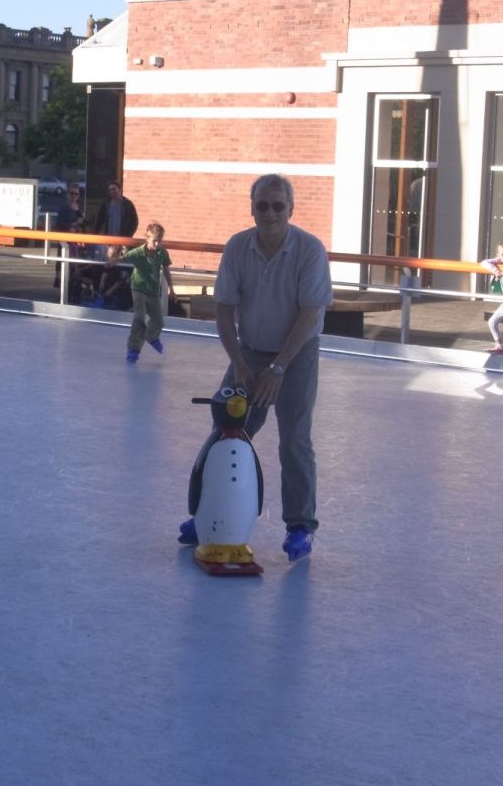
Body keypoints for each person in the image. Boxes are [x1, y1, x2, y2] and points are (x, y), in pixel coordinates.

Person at [178, 173, 333, 563]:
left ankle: (300, 526)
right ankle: (205, 516)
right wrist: (241, 365)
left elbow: (309, 314)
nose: (270, 213)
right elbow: (224, 309)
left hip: (295, 357)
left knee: (294, 440)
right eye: (262, 205)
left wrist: (278, 369)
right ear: (252, 208)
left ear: (291, 210)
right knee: (225, 434)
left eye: (278, 206)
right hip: (248, 355)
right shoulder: (237, 247)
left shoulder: (309, 250)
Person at [106, 221, 176, 363]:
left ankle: (151, 336)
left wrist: (171, 288)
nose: (157, 244)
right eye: (155, 241)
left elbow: (167, 270)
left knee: (158, 321)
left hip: (153, 290)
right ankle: (134, 348)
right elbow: (124, 257)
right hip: (138, 288)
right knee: (139, 318)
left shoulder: (162, 253)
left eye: (160, 241)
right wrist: (114, 261)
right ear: (147, 239)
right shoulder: (139, 252)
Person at [94, 180, 139, 259]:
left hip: (122, 240)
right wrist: (97, 235)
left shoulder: (127, 204)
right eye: (110, 190)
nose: (112, 191)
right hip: (108, 240)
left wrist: (128, 235)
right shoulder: (106, 204)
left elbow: (134, 222)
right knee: (107, 259)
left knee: (120, 260)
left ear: (119, 189)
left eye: (114, 189)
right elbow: (99, 221)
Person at [52, 184, 85, 290]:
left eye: (76, 194)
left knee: (75, 262)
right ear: (67, 195)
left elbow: (82, 224)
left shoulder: (79, 208)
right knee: (63, 262)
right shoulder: (64, 208)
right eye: (72, 193)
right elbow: (59, 223)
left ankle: (73, 285)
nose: (74, 195)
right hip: (65, 240)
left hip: (76, 241)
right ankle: (62, 286)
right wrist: (73, 224)